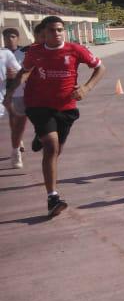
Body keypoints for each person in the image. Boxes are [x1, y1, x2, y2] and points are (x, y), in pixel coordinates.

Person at [10, 15, 105, 217]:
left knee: (57, 150)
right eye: (52, 30)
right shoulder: (35, 52)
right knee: (51, 147)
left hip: (66, 107)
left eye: (60, 29)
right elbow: (24, 71)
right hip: (38, 105)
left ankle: (41, 136)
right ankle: (52, 198)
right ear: (44, 33)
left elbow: (100, 68)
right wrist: (10, 93)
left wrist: (86, 88)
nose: (57, 33)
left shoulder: (76, 50)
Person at [2, 27, 27, 168]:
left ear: (18, 38)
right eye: (6, 37)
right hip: (9, 91)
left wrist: (17, 73)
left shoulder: (25, 52)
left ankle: (18, 139)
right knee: (14, 118)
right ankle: (16, 149)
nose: (9, 39)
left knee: (23, 120)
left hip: (25, 90)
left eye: (12, 36)